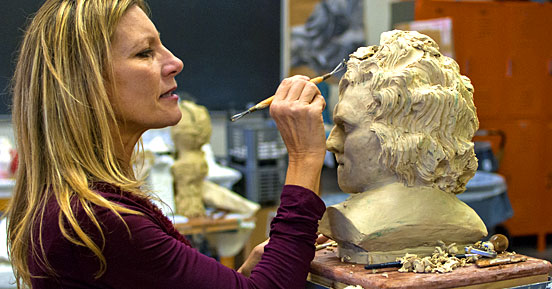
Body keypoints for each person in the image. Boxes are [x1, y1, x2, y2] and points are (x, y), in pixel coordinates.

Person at [7, 0, 327, 288]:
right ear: (87, 84)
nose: (175, 62)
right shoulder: (95, 218)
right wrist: (305, 156)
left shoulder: (81, 204)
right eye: (145, 52)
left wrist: (240, 278)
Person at [318, 30, 487, 264]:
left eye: (346, 127)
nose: (331, 143)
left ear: (401, 133)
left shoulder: (354, 222)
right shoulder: (466, 219)